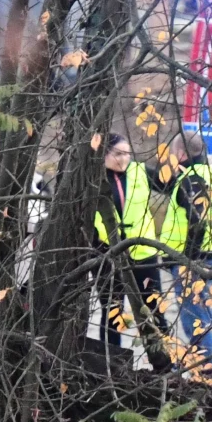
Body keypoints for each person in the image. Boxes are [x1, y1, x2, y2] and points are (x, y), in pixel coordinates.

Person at [93, 133, 172, 371]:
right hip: (107, 254)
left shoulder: (140, 171)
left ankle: (164, 364)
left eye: (127, 153)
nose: (124, 159)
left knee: (153, 308)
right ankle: (112, 366)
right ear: (104, 154)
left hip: (143, 252)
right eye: (118, 154)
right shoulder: (94, 179)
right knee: (113, 311)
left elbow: (170, 184)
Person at [160, 131, 212, 374]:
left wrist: (185, 259)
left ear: (180, 153)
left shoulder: (190, 180)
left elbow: (196, 221)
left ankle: (207, 373)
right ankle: (204, 368)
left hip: (193, 261)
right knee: (205, 317)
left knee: (196, 321)